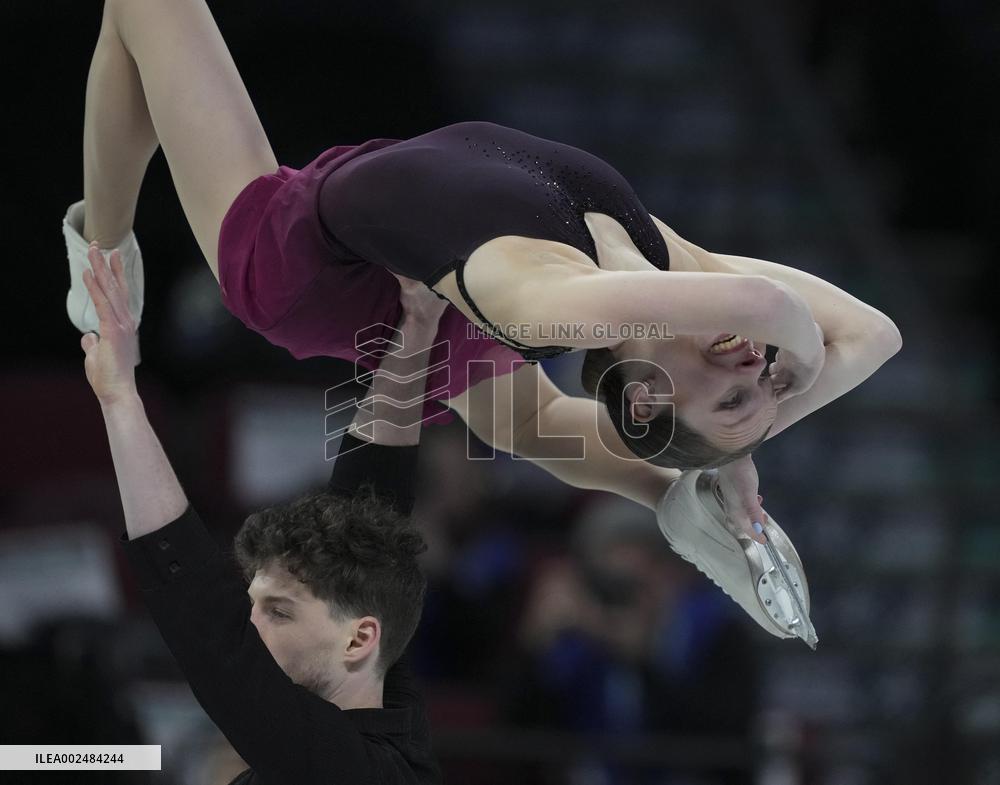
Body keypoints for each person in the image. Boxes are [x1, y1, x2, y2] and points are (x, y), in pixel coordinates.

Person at [80, 242, 449, 783]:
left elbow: (213, 634)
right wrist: (417, 325)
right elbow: (373, 504)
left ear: (358, 640)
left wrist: (120, 401)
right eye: (254, 603)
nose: (249, 625)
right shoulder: (374, 722)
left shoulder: (358, 774)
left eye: (279, 612)